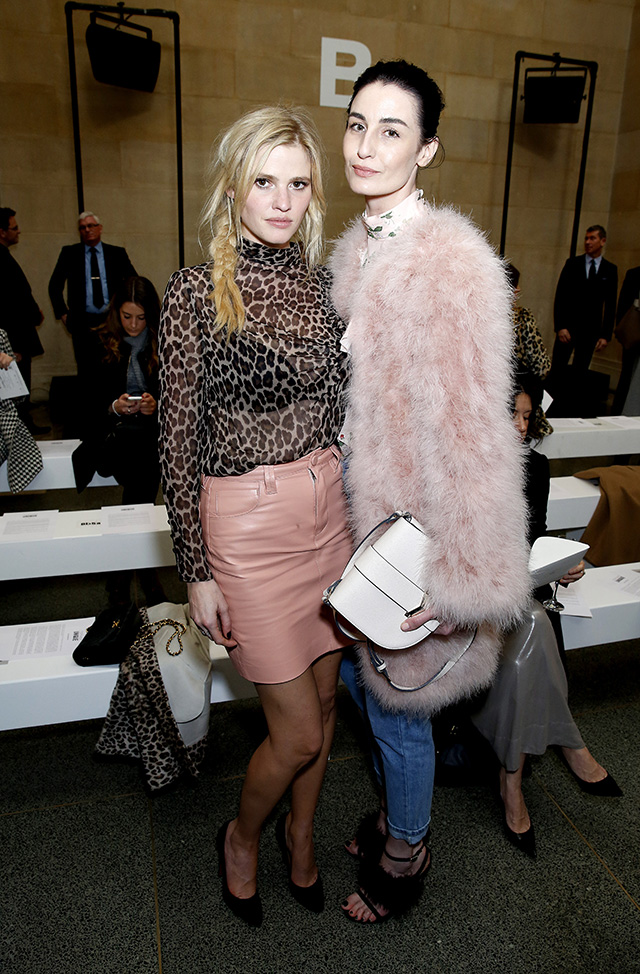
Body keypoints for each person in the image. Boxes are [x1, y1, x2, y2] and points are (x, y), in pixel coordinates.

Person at [329, 59, 531, 923]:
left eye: (392, 130)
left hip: (415, 529)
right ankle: (392, 814)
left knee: (400, 711)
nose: (366, 146)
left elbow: (475, 437)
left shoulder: (451, 263)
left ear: (427, 150)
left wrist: (461, 580)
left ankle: (406, 851)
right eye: (357, 124)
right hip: (356, 513)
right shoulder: (356, 250)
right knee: (362, 687)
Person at [158, 106, 352, 927]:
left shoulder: (325, 287)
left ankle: (300, 837)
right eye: (264, 181)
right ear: (233, 186)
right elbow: (176, 440)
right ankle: (242, 838)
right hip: (247, 531)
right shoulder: (195, 292)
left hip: (331, 516)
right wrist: (195, 571)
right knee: (297, 732)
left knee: (328, 706)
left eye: (298, 184)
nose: (282, 201)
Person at [471, 370, 622, 859]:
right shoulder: (466, 466)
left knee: (531, 626)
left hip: (520, 592)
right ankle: (570, 746)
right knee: (534, 623)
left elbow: (535, 536)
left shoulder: (534, 468)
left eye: (527, 415)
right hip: (472, 595)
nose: (520, 426)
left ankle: (511, 778)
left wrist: (560, 565)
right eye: (511, 414)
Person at [72, 276, 163, 607]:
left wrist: (155, 405)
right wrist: (114, 406)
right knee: (142, 482)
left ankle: (122, 581)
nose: (134, 325)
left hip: (147, 437)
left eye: (141, 317)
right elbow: (84, 404)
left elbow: (179, 395)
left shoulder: (163, 341)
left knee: (140, 483)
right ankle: (143, 577)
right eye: (127, 317)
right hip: (112, 437)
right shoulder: (98, 340)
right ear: (116, 313)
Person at [48, 211, 136, 381]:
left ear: (100, 228)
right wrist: (63, 313)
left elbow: (132, 281)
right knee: (86, 369)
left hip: (110, 319)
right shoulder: (70, 253)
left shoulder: (116, 253)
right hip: (82, 321)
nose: (87, 230)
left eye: (91, 226)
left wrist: (127, 313)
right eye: (82, 228)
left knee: (114, 366)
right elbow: (54, 285)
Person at [550, 225, 617, 387]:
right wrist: (560, 326)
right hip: (568, 329)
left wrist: (605, 335)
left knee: (580, 372)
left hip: (590, 331)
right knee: (557, 370)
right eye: (586, 238)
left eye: (592, 238)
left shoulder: (610, 270)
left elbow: (610, 305)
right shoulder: (572, 264)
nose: (588, 242)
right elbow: (560, 297)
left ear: (602, 241)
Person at [0, 207, 48, 434]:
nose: (18, 231)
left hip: (16, 335)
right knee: (17, 389)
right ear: (2, 232)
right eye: (14, 228)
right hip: (14, 337)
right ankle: (21, 430)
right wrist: (12, 347)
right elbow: (10, 303)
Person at [504, 261, 552, 438]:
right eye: (515, 284)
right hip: (518, 406)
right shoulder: (522, 319)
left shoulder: (469, 321)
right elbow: (542, 367)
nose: (519, 289)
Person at [612, 264, 640, 416]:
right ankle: (619, 413)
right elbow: (622, 305)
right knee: (627, 375)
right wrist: (623, 335)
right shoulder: (634, 274)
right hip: (633, 336)